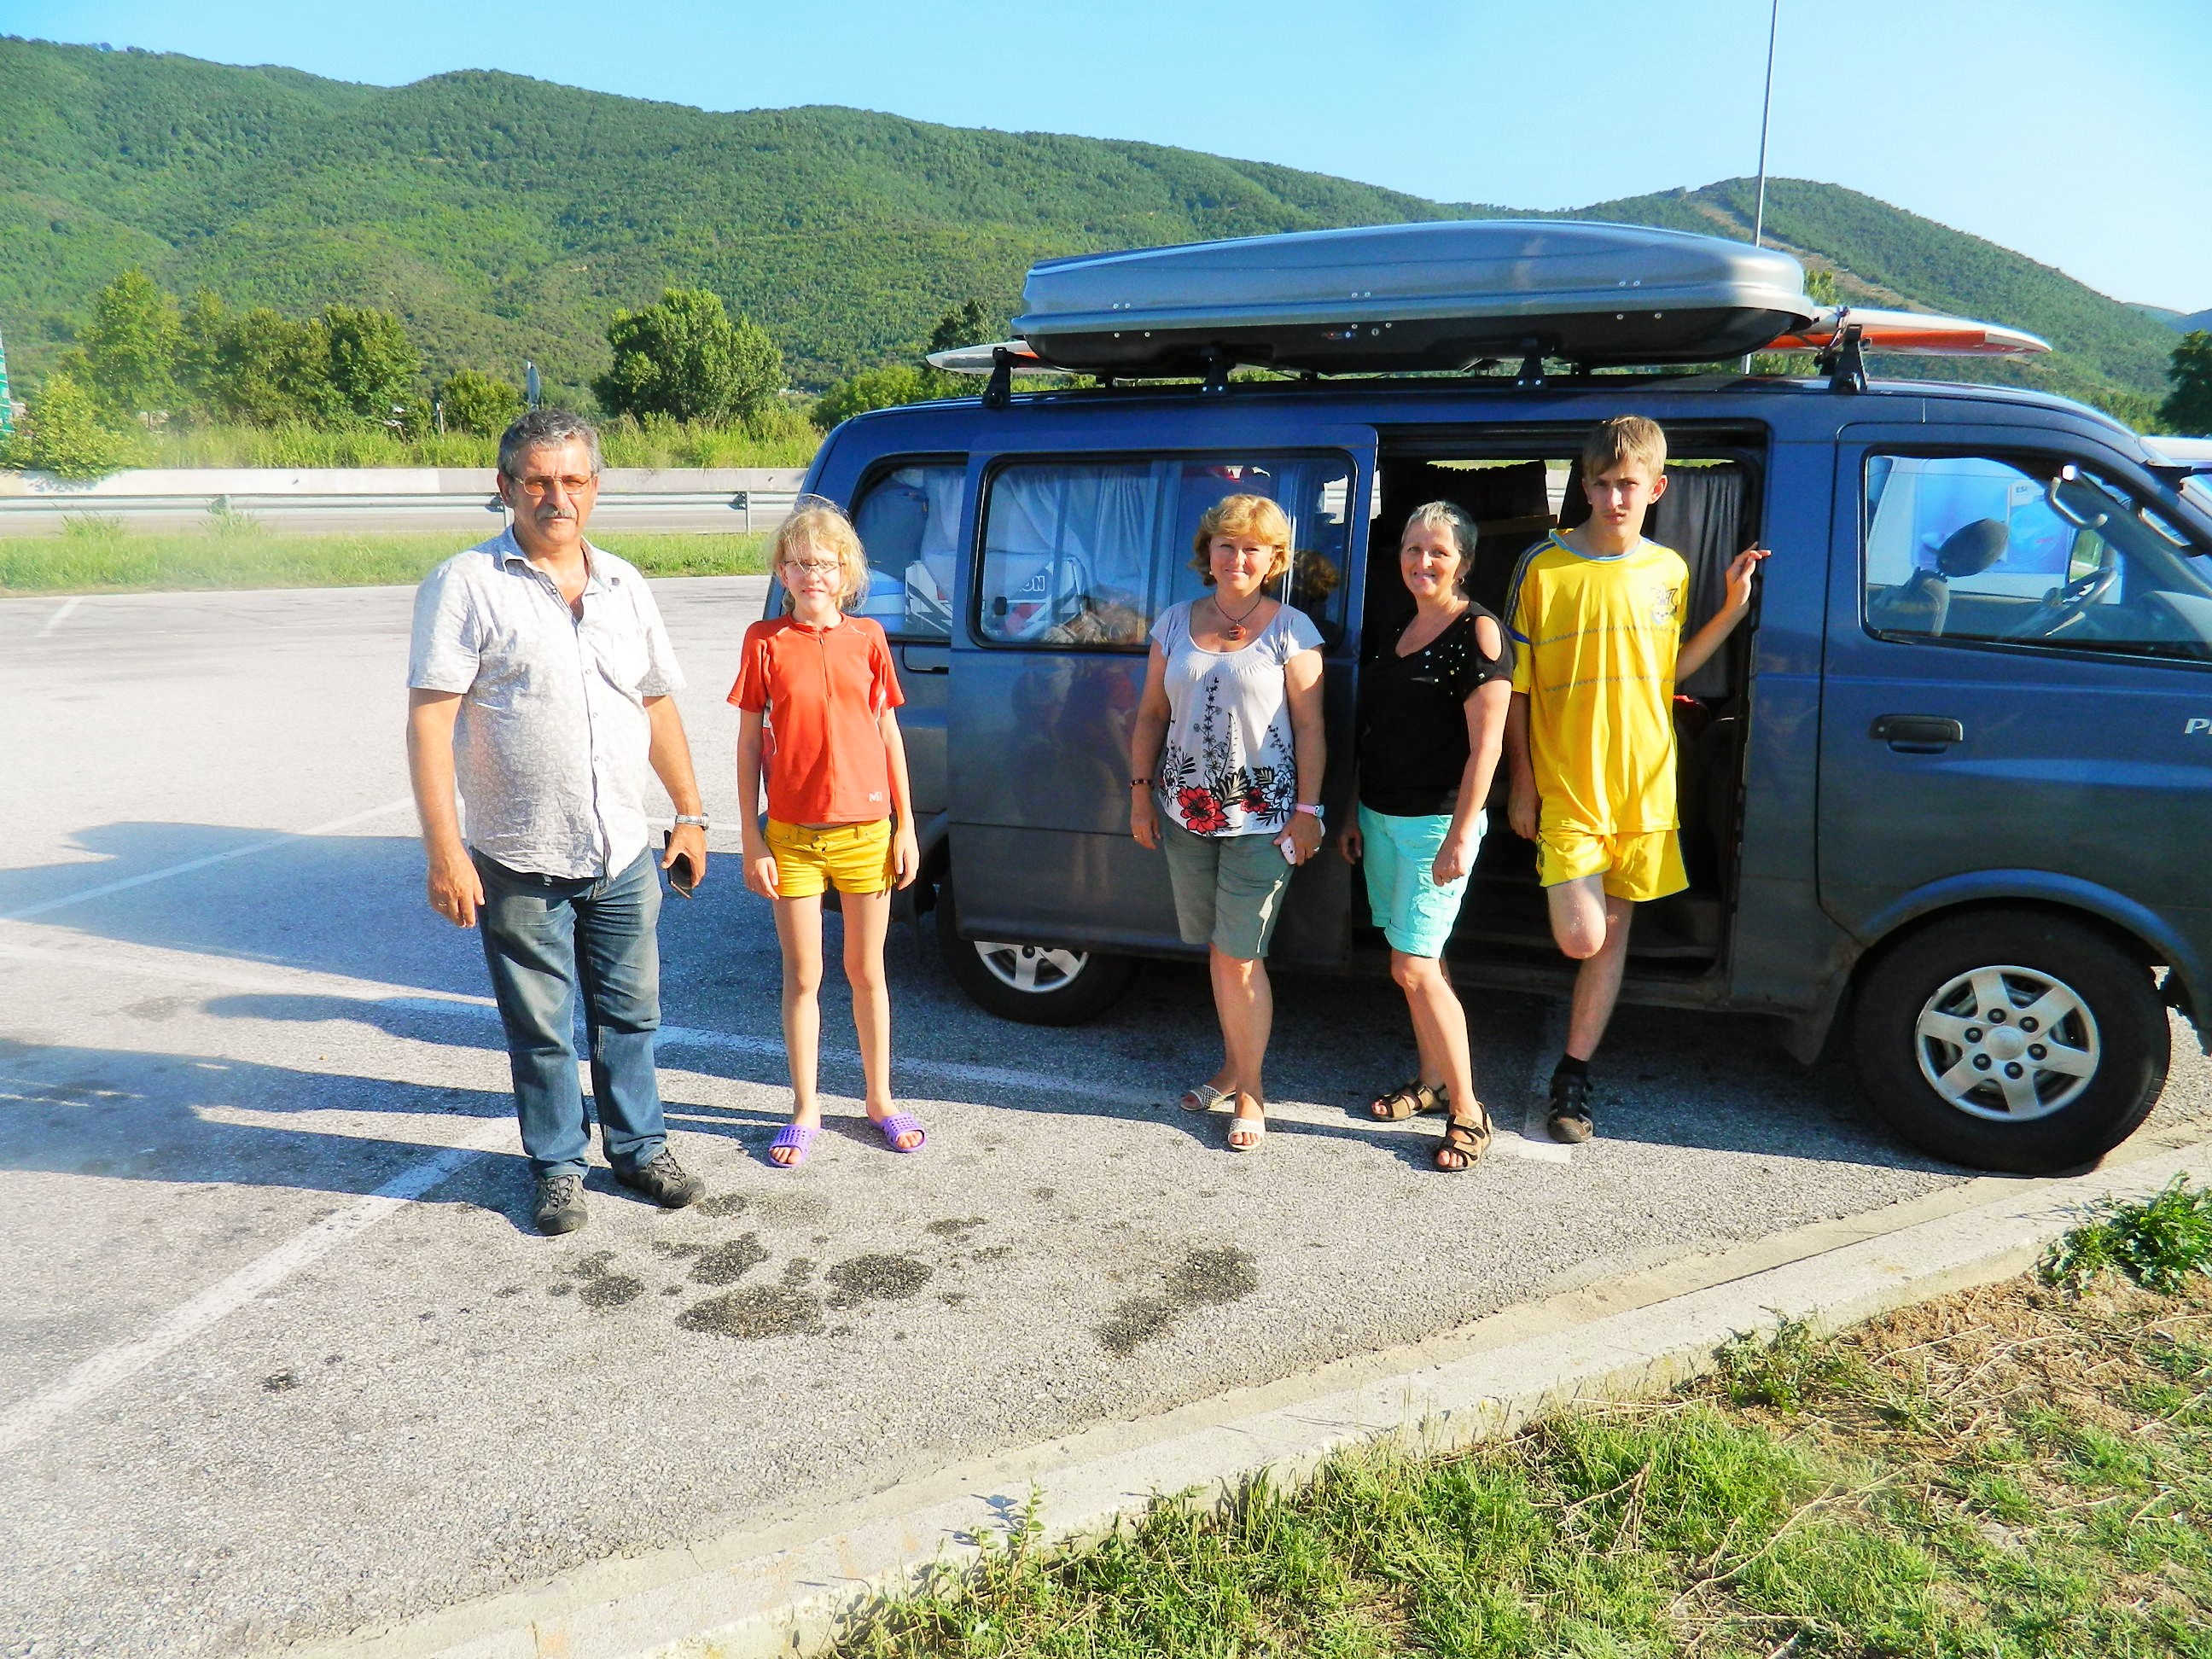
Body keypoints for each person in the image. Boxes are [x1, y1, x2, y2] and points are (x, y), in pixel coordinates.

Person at [406, 409, 709, 1236]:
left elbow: (655, 702)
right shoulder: (465, 584)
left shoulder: (624, 585)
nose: (557, 498)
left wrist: (689, 813)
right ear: (505, 487)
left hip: (623, 852)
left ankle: (639, 1149)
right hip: (519, 855)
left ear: (596, 488)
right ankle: (557, 1168)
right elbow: (430, 723)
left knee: (631, 1018)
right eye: (537, 481)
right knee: (540, 1031)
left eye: (573, 480)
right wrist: (445, 853)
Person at [1505, 416, 1767, 1143]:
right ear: (1585, 487)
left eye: (1628, 485)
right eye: (1602, 484)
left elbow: (1667, 671)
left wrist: (1732, 610)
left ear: (1657, 488)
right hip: (1568, 786)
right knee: (1582, 937)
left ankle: (1573, 1077)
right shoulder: (1542, 565)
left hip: (1646, 787)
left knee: (1614, 936)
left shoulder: (1670, 570)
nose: (1615, 498)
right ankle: (1569, 1069)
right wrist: (1521, 784)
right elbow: (1515, 687)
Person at [1129, 494, 1327, 1153]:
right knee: (1219, 951)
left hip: (1264, 821)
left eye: (1252, 549)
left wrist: (1309, 812)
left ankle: (1251, 1092)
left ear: (1273, 560)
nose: (1237, 558)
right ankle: (1232, 1068)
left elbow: (1310, 728)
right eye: (1226, 545)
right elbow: (1151, 715)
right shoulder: (1173, 623)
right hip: (1185, 814)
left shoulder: (1293, 630)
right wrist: (1139, 796)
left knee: (1241, 957)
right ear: (1207, 552)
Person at [731, 500, 923, 1167]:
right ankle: (806, 1106)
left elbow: (889, 732)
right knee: (804, 974)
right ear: (782, 572)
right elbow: (748, 744)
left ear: (847, 573)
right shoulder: (764, 641)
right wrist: (752, 838)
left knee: (867, 972)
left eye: (825, 563)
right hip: (792, 836)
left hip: (869, 832)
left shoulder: (869, 638)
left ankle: (880, 1099)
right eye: (799, 562)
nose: (812, 573)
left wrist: (906, 826)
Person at [1338, 503, 1514, 1172]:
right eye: (1413, 549)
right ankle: (1433, 1081)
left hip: (1436, 826)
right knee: (1421, 960)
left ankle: (1469, 1111)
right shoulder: (1399, 627)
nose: (1422, 562)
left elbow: (1487, 748)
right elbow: (1376, 732)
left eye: (1438, 551)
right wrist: (1352, 812)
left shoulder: (1479, 632)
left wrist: (1461, 834)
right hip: (1381, 817)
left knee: (1412, 966)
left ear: (1463, 562)